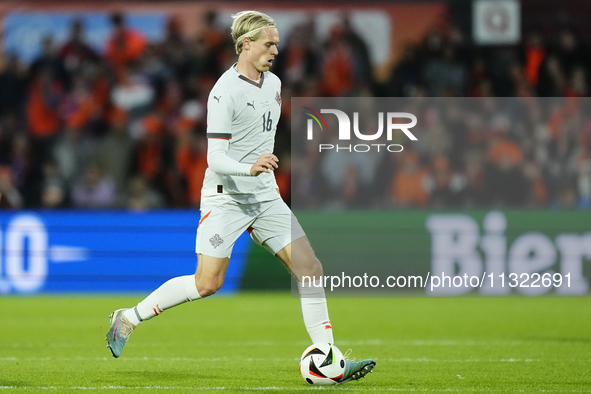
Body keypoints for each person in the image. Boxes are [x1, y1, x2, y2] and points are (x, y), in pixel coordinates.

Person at [105, 10, 375, 384]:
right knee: (207, 284)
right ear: (245, 44)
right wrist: (248, 167)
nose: (276, 50)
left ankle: (329, 358)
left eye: (277, 44)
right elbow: (214, 157)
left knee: (310, 269)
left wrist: (260, 171)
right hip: (226, 197)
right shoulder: (223, 92)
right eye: (269, 43)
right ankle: (128, 318)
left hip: (264, 197)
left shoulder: (275, 84)